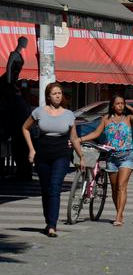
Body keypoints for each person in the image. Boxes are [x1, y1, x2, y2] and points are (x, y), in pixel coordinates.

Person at [20, 82, 85, 237]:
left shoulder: (69, 114)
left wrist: (81, 156)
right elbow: (25, 128)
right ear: (48, 96)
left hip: (61, 154)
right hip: (42, 154)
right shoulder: (39, 112)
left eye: (60, 93)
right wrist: (31, 149)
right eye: (55, 93)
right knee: (45, 189)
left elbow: (74, 138)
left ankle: (52, 225)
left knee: (54, 188)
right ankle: (48, 220)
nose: (58, 95)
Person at [77, 95, 133, 226]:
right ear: (112, 106)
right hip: (111, 157)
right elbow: (96, 133)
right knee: (114, 188)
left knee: (121, 186)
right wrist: (80, 139)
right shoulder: (106, 119)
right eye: (117, 104)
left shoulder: (128, 118)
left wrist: (128, 105)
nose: (120, 106)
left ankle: (118, 216)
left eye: (122, 103)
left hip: (127, 155)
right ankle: (119, 211)